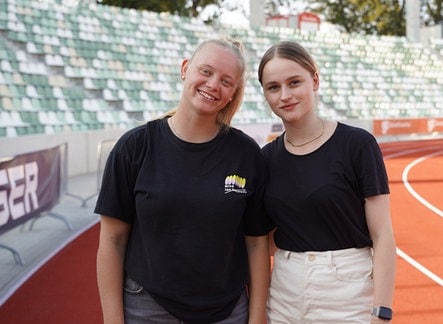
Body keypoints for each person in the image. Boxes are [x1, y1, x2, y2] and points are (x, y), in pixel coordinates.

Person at [95, 38, 274, 324]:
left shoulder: (246, 154)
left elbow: (256, 244)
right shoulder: (134, 147)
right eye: (206, 71)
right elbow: (112, 240)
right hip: (146, 308)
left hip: (226, 311)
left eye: (226, 81)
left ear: (233, 93)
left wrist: (256, 317)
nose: (213, 84)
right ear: (185, 69)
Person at [257, 40, 397, 323]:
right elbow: (263, 240)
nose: (285, 95)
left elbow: (382, 235)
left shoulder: (357, 145)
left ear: (315, 80)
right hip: (284, 291)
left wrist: (381, 312)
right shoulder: (265, 158)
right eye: (273, 87)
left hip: (347, 295)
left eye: (294, 82)